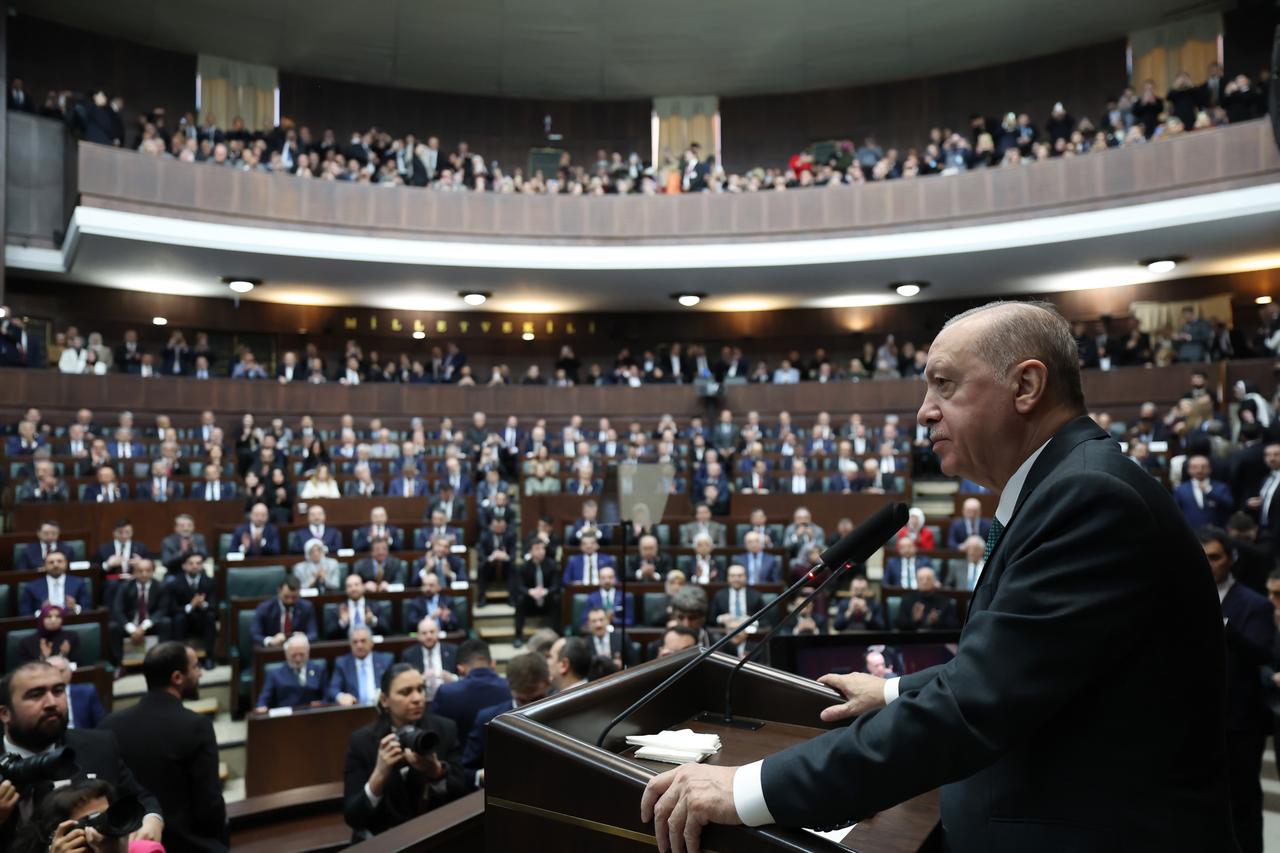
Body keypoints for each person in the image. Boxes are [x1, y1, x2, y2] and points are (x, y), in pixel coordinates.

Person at [641, 300, 1235, 850]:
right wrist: (893, 690)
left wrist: (746, 789)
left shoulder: (1087, 497)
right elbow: (1022, 662)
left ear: (1025, 385)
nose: (924, 411)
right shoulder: (1070, 484)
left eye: (945, 385)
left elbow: (975, 706)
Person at [0, 661, 165, 850]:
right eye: (36, 695)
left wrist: (152, 819)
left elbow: (142, 798)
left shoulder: (98, 745)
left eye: (58, 690)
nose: (52, 703)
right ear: (5, 713)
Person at [100, 642, 228, 852]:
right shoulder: (196, 726)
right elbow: (209, 807)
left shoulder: (109, 726)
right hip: (188, 845)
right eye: (196, 667)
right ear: (177, 677)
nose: (201, 674)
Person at [1200, 527, 1274, 853]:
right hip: (1199, 719)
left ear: (1230, 559)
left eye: (1214, 558)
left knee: (1243, 805)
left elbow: (1262, 653)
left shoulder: (1253, 603)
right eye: (1202, 559)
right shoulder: (1185, 595)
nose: (1208, 565)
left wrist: (1224, 625)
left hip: (1241, 722)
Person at [343, 663, 468, 840]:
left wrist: (436, 772)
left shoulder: (444, 729)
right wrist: (379, 775)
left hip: (435, 836)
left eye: (420, 689)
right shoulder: (362, 741)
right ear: (385, 700)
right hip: (385, 840)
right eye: (406, 692)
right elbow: (353, 817)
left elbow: (463, 797)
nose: (417, 698)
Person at [461, 652, 550, 786]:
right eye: (522, 700)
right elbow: (465, 771)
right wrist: (482, 776)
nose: (529, 707)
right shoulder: (488, 719)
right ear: (509, 687)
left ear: (549, 683)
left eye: (537, 698)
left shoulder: (565, 714)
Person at [428, 640, 509, 738]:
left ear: (460, 669)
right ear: (493, 664)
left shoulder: (446, 692)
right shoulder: (511, 687)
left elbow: (432, 726)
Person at [109, 559, 170, 662]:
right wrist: (132, 629)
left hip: (150, 624)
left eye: (148, 570)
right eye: (140, 571)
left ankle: (163, 660)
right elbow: (118, 610)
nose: (144, 574)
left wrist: (144, 626)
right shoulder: (125, 587)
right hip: (131, 625)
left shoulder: (161, 586)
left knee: (166, 622)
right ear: (134, 572)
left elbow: (162, 609)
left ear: (153, 571)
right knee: (113, 627)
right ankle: (119, 664)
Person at [166, 551, 219, 665]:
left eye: (198, 563)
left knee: (210, 616)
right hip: (184, 619)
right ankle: (181, 658)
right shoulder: (175, 583)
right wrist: (191, 605)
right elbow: (172, 609)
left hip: (202, 618)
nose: (195, 566)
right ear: (184, 566)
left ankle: (209, 657)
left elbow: (214, 607)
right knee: (178, 618)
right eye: (191, 563)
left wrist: (202, 604)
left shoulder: (210, 582)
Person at [255, 633, 328, 712]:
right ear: (286, 654)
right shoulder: (274, 674)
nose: (298, 659)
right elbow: (264, 698)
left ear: (308, 653)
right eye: (294, 655)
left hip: (313, 716)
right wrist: (261, 706)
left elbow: (328, 695)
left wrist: (322, 703)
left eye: (301, 655)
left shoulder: (319, 669)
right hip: (286, 718)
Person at [328, 626, 395, 707]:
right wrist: (341, 696)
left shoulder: (386, 660)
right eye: (355, 642)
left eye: (363, 641)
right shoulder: (342, 663)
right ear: (350, 644)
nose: (359, 645)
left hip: (381, 708)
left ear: (371, 642)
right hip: (353, 711)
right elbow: (333, 688)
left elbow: (394, 684)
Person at [510, 539, 560, 647]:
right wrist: (530, 592)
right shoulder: (523, 567)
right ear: (531, 552)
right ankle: (518, 636)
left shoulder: (552, 565)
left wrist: (546, 591)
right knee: (520, 601)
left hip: (546, 599)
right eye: (537, 549)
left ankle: (556, 634)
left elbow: (556, 585)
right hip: (530, 600)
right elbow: (519, 586)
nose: (541, 551)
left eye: (543, 548)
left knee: (556, 599)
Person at [19, 551, 90, 617]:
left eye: (59, 561)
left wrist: (74, 608)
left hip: (71, 621)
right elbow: (25, 614)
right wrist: (42, 612)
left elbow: (87, 609)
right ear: (44, 565)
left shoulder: (79, 583)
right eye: (51, 562)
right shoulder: (31, 587)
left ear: (66, 563)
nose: (55, 565)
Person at [251, 576, 318, 646]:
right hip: (273, 651)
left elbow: (313, 634)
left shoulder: (307, 607)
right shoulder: (264, 608)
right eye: (286, 597)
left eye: (294, 597)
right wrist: (271, 641)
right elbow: (255, 635)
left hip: (297, 650)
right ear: (279, 591)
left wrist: (303, 639)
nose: (290, 601)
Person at [401, 617, 459, 698]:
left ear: (438, 632)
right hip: (421, 701)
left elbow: (465, 678)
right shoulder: (409, 655)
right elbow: (404, 683)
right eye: (424, 633)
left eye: (432, 632)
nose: (428, 636)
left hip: (450, 697)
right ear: (418, 635)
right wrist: (420, 679)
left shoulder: (453, 651)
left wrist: (452, 678)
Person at [46, 656, 105, 729]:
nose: (57, 676)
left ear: (70, 672)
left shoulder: (87, 692)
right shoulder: (40, 698)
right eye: (52, 673)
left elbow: (102, 724)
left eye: (61, 671)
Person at [894, 566, 959, 630]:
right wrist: (914, 619)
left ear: (934, 581)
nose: (924, 582)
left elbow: (954, 626)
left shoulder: (944, 601)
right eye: (921, 579)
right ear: (917, 581)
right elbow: (899, 624)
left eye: (928, 579)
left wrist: (937, 622)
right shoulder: (907, 599)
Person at [15, 604, 81, 665]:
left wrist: (63, 655)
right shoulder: (28, 642)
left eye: (58, 616)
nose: (53, 620)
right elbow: (22, 669)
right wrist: (43, 659)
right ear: (42, 619)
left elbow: (78, 664)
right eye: (49, 616)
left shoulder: (71, 638)